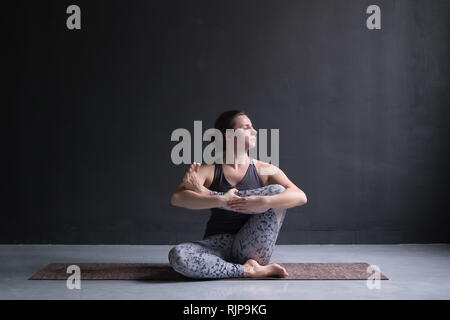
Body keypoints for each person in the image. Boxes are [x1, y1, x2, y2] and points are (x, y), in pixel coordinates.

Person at [168, 110, 307, 279]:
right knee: (178, 255)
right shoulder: (210, 169)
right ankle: (248, 270)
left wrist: (264, 201)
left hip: (252, 248)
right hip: (216, 244)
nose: (254, 131)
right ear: (228, 136)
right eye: (247, 127)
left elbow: (300, 196)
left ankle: (235, 267)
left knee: (277, 191)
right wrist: (220, 200)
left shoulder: (264, 169)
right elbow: (177, 198)